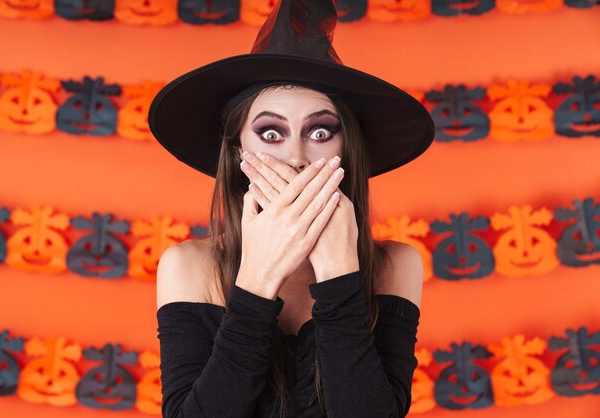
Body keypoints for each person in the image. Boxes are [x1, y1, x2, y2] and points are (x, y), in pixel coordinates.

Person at [148, 1, 435, 417]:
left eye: (320, 131)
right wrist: (255, 282)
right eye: (270, 132)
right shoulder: (187, 266)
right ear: (236, 154)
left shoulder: (396, 264)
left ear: (346, 150)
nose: (297, 157)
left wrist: (339, 276)